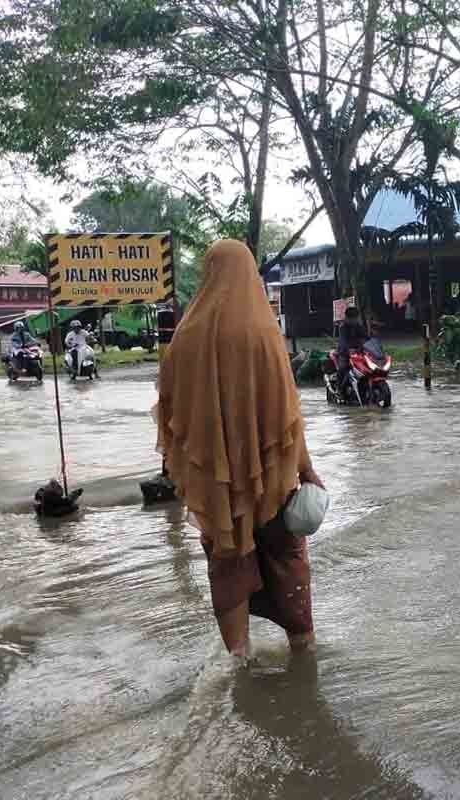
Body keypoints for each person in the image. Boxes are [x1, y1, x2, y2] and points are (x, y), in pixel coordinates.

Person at [154, 240, 323, 658]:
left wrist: (181, 470)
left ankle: (238, 664)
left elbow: (173, 416)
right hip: (273, 482)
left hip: (215, 486)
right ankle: (303, 654)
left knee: (227, 564)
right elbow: (288, 419)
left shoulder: (184, 339)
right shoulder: (265, 333)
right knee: (286, 562)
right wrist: (307, 471)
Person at [336, 305, 367, 396]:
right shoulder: (343, 327)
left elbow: (365, 337)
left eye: (356, 318)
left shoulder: (358, 326)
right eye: (353, 318)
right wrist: (348, 349)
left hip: (358, 351)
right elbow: (343, 341)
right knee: (342, 367)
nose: (355, 320)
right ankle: (339, 388)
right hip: (345, 352)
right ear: (347, 318)